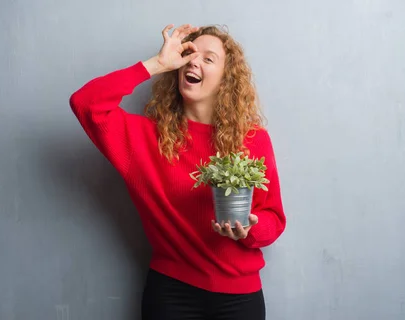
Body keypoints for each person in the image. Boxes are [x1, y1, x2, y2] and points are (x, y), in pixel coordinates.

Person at [69, 23, 286, 320]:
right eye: (189, 55)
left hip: (240, 297)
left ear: (226, 79)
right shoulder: (143, 139)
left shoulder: (252, 140)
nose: (194, 61)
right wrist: (155, 64)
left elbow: (274, 218)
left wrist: (250, 229)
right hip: (171, 294)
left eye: (208, 59)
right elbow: (86, 103)